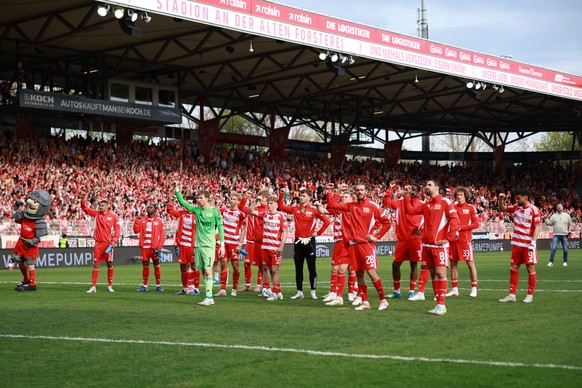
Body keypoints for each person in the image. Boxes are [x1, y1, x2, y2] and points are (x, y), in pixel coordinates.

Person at [326, 182, 391, 311]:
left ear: (366, 191)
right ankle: (365, 302)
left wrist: (376, 237)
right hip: (353, 245)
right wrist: (339, 191)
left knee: (372, 273)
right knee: (359, 275)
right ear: (355, 192)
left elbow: (387, 223)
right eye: (358, 190)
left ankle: (383, 300)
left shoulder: (373, 206)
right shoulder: (351, 206)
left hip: (366, 245)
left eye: (362, 189)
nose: (360, 191)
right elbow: (331, 205)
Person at [403, 180, 460, 315]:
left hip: (440, 246)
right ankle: (438, 305)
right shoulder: (426, 204)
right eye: (425, 185)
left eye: (429, 185)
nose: (426, 187)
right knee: (433, 274)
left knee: (441, 274)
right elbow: (409, 211)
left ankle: (441, 305)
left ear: (437, 188)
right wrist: (406, 196)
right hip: (426, 245)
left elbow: (455, 220)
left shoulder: (445, 202)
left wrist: (448, 238)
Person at [176, 183, 225, 306]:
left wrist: (222, 245)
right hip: (198, 246)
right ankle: (208, 295)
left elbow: (220, 227)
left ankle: (209, 297)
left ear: (208, 198)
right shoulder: (196, 210)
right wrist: (177, 189)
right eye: (197, 198)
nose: (198, 200)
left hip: (209, 246)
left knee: (208, 270)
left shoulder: (214, 212)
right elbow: (182, 202)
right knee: (203, 270)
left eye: (201, 198)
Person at [278, 188, 330, 300]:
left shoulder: (314, 210)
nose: (301, 197)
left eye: (303, 196)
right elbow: (281, 207)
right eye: (300, 195)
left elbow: (327, 221)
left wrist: (318, 233)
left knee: (312, 268)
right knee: (298, 268)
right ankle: (299, 291)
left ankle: (313, 291)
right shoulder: (294, 208)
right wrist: (281, 194)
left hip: (309, 242)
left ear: (309, 197)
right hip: (298, 242)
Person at [382, 181, 425, 300]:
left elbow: (428, 219)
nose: (410, 191)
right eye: (407, 189)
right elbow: (387, 203)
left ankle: (411, 291)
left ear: (417, 192)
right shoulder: (400, 203)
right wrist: (390, 190)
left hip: (415, 239)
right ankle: (397, 291)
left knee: (414, 264)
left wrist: (422, 229)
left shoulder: (421, 204)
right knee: (395, 264)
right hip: (402, 239)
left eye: (412, 190)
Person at [497, 188, 541, 303]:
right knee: (513, 268)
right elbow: (502, 209)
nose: (516, 200)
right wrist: (500, 199)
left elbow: (537, 226)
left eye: (518, 198)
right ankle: (512, 295)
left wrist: (533, 242)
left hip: (528, 244)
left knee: (530, 268)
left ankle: (530, 295)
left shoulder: (534, 210)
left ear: (525, 197)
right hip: (516, 244)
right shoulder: (516, 208)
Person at [315, 188, 354, 306]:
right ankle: (333, 292)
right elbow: (324, 211)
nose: (344, 199)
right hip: (338, 241)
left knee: (351, 269)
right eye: (343, 198)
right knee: (335, 267)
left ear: (352, 199)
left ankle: (352, 292)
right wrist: (318, 206)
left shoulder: (353, 210)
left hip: (348, 241)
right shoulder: (339, 210)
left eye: (346, 197)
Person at [249, 195, 288, 301]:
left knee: (274, 270)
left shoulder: (281, 216)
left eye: (271, 203)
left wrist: (281, 246)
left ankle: (276, 292)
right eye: (268, 203)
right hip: (265, 247)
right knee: (266, 268)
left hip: (275, 248)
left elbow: (285, 231)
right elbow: (251, 211)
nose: (269, 205)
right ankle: (273, 291)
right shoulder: (265, 215)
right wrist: (256, 201)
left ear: (276, 204)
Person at [12, 190, 52, 292]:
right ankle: (26, 280)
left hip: (30, 245)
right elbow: (15, 216)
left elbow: (42, 236)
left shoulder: (39, 221)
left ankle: (32, 283)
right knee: (20, 263)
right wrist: (15, 207)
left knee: (30, 264)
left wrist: (33, 241)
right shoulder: (25, 216)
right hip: (21, 243)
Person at [82, 197, 120, 293]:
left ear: (108, 206)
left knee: (109, 263)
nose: (100, 207)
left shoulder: (113, 216)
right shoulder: (97, 214)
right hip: (98, 244)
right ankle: (93, 287)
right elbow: (85, 209)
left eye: (102, 206)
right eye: (100, 206)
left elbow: (117, 230)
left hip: (108, 244)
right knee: (96, 264)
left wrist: (115, 240)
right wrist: (83, 199)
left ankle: (110, 285)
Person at [447, 186, 480, 298]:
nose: (459, 197)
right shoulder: (453, 207)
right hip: (453, 240)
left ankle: (474, 288)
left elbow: (476, 224)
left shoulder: (471, 208)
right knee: (453, 265)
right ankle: (455, 289)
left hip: (465, 241)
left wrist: (461, 227)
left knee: (470, 264)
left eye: (461, 195)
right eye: (457, 195)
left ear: (465, 196)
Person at [167, 194, 200, 295]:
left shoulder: (198, 214)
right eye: (186, 203)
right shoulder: (181, 213)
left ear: (194, 204)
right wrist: (171, 202)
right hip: (182, 245)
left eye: (190, 203)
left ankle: (196, 288)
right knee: (183, 267)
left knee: (194, 266)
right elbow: (171, 211)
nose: (188, 205)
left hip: (192, 245)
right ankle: (185, 288)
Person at [215, 191, 247, 297]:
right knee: (223, 265)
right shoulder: (224, 211)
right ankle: (223, 289)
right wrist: (216, 201)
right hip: (224, 243)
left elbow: (243, 230)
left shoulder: (241, 215)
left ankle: (234, 289)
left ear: (238, 201)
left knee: (236, 267)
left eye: (234, 199)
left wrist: (240, 244)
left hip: (234, 243)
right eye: (231, 199)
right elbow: (213, 211)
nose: (231, 201)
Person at [239, 189, 269, 295]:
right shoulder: (253, 208)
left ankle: (258, 285)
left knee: (262, 265)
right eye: (260, 196)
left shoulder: (268, 210)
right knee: (246, 264)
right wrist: (246, 197)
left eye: (264, 197)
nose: (261, 199)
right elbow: (241, 207)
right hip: (250, 241)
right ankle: (247, 285)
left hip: (261, 241)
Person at [133, 203, 166, 292]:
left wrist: (159, 248)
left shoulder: (159, 221)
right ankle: (145, 285)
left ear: (155, 210)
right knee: (145, 266)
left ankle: (158, 285)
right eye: (148, 207)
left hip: (154, 248)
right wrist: (136, 220)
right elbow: (136, 231)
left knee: (156, 265)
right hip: (145, 248)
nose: (148, 208)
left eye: (150, 207)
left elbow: (162, 236)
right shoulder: (143, 220)